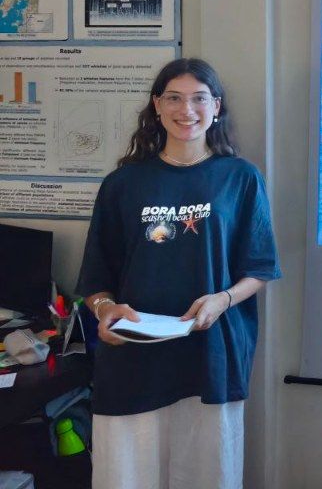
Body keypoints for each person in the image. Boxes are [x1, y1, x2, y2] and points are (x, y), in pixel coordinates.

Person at [76, 58, 281, 489]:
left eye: (198, 98)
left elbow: (260, 267)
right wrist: (105, 309)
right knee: (126, 477)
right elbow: (96, 276)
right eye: (173, 97)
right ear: (156, 105)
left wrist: (222, 299)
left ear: (216, 107)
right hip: (133, 357)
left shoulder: (240, 178)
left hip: (210, 356)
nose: (186, 109)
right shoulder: (123, 183)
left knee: (208, 475)